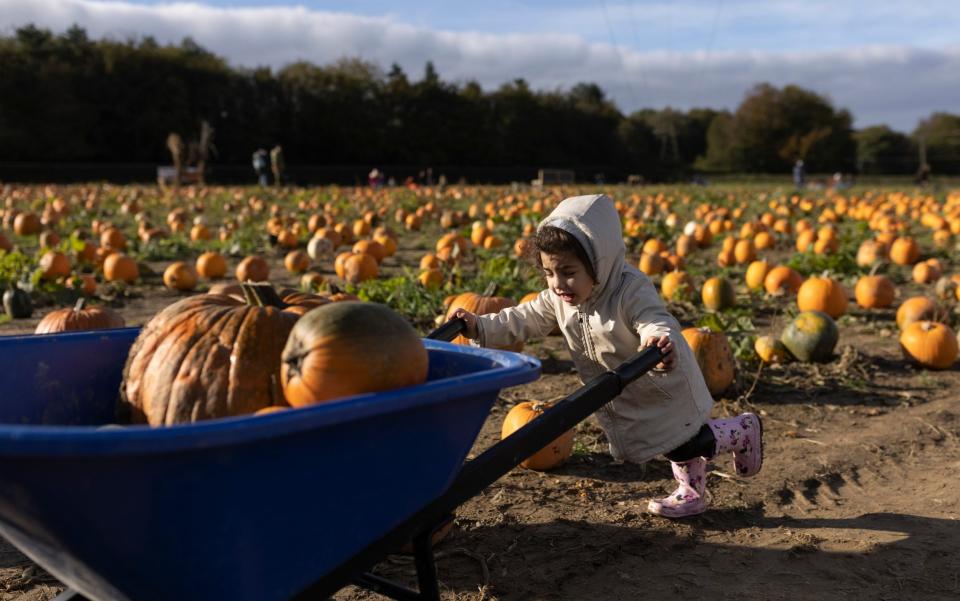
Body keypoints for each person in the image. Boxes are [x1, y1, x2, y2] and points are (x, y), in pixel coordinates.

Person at [453, 194, 763, 518]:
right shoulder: (559, 298)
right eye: (549, 273)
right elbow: (523, 317)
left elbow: (654, 318)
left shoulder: (630, 289)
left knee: (683, 441)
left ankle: (742, 431)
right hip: (630, 386)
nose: (558, 284)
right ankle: (692, 491)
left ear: (597, 263)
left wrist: (656, 340)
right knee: (671, 443)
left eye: (568, 272)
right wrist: (480, 326)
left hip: (660, 378)